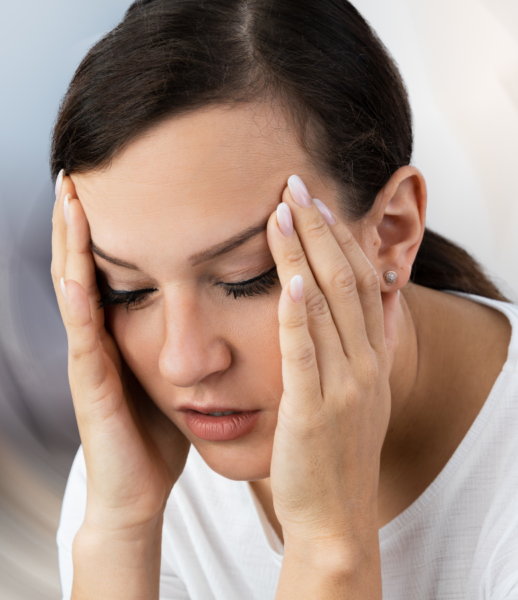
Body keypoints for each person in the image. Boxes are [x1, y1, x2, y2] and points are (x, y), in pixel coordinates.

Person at [50, 0, 517, 597]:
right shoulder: (135, 470)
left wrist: (331, 548)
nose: (183, 363)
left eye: (247, 278)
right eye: (129, 289)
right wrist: (120, 529)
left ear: (393, 233)